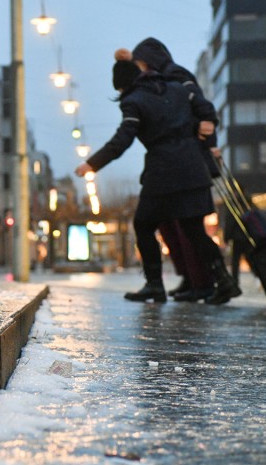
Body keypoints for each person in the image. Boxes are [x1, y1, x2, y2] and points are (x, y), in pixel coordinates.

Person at [75, 57, 241, 305]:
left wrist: (92, 164)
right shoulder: (176, 88)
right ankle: (224, 281)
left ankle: (154, 285)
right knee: (194, 230)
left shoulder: (133, 101)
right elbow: (203, 111)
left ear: (123, 85)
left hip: (164, 172)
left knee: (143, 225)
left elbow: (123, 139)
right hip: (194, 167)